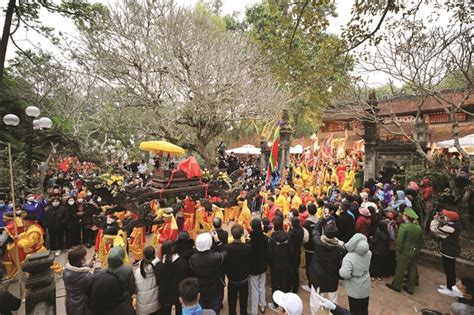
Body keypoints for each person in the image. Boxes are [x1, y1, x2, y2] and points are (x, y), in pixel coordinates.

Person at [309, 220, 345, 311]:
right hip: (332, 278)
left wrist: (322, 219)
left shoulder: (318, 243)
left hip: (318, 277)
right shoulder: (340, 249)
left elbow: (315, 231)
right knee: (333, 301)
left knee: (316, 301)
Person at [87, 247, 135, 315]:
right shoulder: (128, 269)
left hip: (110, 299)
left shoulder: (103, 271)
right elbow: (132, 286)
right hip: (125, 299)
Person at [386, 208, 423, 295]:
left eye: (404, 215)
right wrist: (416, 249)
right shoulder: (418, 228)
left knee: (400, 269)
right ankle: (410, 287)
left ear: (406, 217)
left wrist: (398, 250)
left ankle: (396, 285)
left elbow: (400, 241)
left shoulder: (404, 227)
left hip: (404, 252)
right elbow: (421, 242)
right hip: (414, 251)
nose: (402, 216)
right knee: (412, 269)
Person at [189, 232, 225, 314]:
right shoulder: (216, 257)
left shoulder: (193, 259)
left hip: (200, 290)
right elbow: (224, 252)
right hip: (214, 290)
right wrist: (218, 241)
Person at [430, 209, 462, 297]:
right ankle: (449, 286)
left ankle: (450, 289)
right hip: (449, 251)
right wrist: (440, 217)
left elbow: (434, 229)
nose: (445, 217)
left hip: (449, 251)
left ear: (450, 219)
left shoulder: (450, 228)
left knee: (449, 270)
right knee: (449, 270)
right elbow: (444, 222)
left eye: (447, 216)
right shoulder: (454, 224)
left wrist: (435, 220)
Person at [339, 233, 371, 315]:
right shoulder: (369, 253)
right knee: (364, 308)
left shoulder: (349, 257)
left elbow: (344, 274)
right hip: (366, 284)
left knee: (354, 310)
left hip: (354, 287)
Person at [224, 224, 251, 315]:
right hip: (244, 279)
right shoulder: (247, 247)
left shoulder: (227, 247)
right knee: (243, 303)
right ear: (242, 234)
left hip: (232, 279)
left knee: (232, 303)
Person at [156, 240, 189, 315]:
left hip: (165, 295)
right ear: (174, 248)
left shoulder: (158, 265)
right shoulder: (182, 263)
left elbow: (158, 280)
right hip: (179, 294)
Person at [63, 246, 94, 315]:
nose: (85, 258)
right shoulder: (86, 276)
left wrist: (86, 266)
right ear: (81, 260)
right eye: (84, 257)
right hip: (81, 305)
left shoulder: (65, 271)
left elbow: (77, 269)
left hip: (70, 302)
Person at [268, 216, 290, 312]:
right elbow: (290, 250)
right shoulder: (287, 235)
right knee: (284, 283)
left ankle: (276, 305)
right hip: (285, 263)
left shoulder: (272, 237)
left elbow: (270, 254)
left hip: (275, 265)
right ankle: (284, 305)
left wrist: (270, 263)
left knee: (275, 284)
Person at [248, 218, 268, 315]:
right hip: (263, 266)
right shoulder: (265, 238)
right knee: (262, 286)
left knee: (254, 289)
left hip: (253, 268)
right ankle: (262, 305)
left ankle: (253, 310)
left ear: (252, 227)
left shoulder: (250, 241)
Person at [134, 246, 160, 315]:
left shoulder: (137, 272)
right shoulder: (158, 268)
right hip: (156, 305)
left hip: (143, 306)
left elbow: (135, 289)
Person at [302, 203, 318, 292]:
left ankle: (310, 284)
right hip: (317, 247)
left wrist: (304, 244)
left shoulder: (307, 223)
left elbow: (305, 238)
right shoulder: (319, 220)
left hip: (309, 248)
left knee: (309, 266)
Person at [288, 217, 304, 293]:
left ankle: (291, 286)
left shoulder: (291, 233)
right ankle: (296, 287)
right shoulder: (301, 230)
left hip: (292, 255)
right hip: (298, 253)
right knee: (296, 271)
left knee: (291, 271)